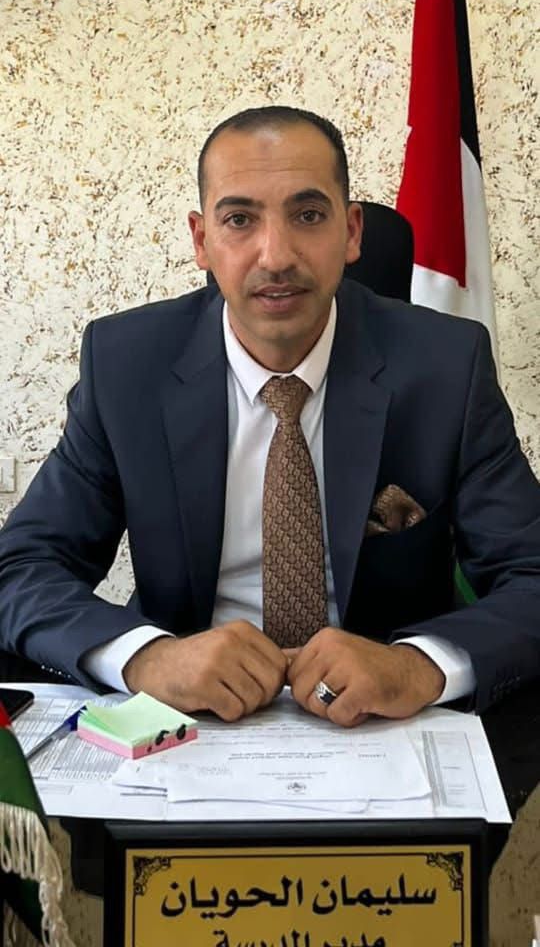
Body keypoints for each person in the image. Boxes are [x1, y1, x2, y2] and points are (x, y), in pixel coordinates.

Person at [0, 106, 539, 728]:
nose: (276, 255)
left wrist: (419, 666)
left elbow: (530, 573)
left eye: (308, 215)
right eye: (239, 220)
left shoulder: (446, 365)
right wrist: (148, 658)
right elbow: (23, 569)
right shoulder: (126, 367)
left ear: (352, 232)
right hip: (190, 719)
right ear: (202, 241)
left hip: (382, 718)